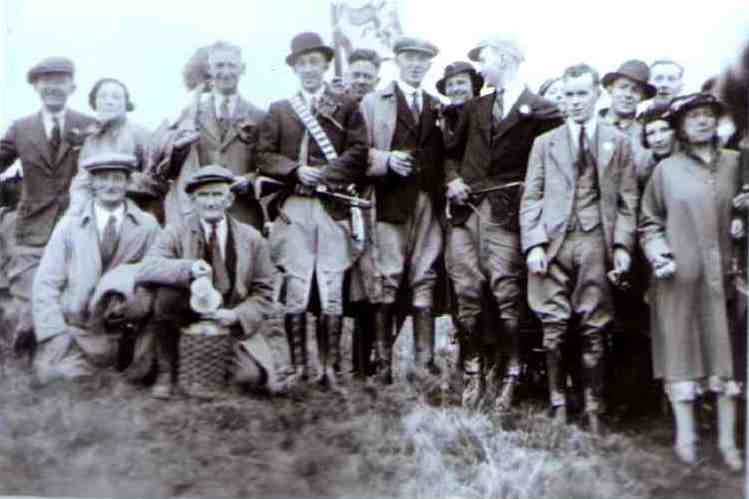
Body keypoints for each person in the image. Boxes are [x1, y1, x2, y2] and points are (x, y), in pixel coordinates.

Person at [444, 36, 562, 411]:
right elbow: (449, 155)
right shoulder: (475, 108)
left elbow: (548, 169)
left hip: (507, 215)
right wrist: (453, 181)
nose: (479, 70)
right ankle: (473, 372)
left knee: (506, 295)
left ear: (507, 59)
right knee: (466, 293)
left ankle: (511, 375)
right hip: (465, 214)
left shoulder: (542, 110)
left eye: (485, 61)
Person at [520, 63, 638, 433]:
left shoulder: (616, 142)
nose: (574, 102)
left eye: (581, 94)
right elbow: (531, 197)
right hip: (552, 243)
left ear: (596, 95)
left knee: (594, 325)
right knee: (552, 326)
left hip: (594, 242)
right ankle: (557, 403)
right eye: (568, 94)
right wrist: (533, 244)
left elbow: (627, 201)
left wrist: (621, 246)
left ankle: (593, 407)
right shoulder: (545, 142)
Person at [257, 32, 368, 387]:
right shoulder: (280, 109)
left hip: (332, 204)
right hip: (295, 204)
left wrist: (326, 175)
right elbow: (264, 155)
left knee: (332, 283)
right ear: (294, 68)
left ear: (325, 65)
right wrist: (295, 170)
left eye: (315, 63)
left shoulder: (347, 105)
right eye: (302, 63)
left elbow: (358, 150)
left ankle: (330, 369)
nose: (309, 69)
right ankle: (299, 368)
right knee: (297, 283)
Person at [639, 93, 743, 470]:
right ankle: (687, 440)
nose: (702, 121)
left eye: (708, 115)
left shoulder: (737, 164)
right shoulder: (665, 171)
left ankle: (729, 443)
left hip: (727, 279)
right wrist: (659, 253)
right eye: (693, 116)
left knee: (727, 356)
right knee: (682, 353)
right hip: (680, 278)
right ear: (680, 127)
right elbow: (648, 222)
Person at [135, 165, 276, 398]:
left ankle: (214, 362)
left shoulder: (252, 238)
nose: (210, 203)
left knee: (248, 378)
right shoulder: (176, 231)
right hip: (181, 321)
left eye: (217, 195)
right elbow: (147, 268)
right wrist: (187, 268)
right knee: (166, 294)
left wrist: (237, 316)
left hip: (228, 321)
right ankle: (166, 371)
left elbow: (265, 292)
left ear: (229, 199)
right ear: (192, 201)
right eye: (203, 195)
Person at [357, 36, 445, 385]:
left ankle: (424, 367)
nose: (415, 65)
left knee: (424, 276)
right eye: (409, 58)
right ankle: (382, 367)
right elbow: (354, 152)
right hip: (388, 200)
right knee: (386, 277)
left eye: (422, 60)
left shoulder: (437, 106)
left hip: (426, 202)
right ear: (397, 61)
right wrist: (385, 160)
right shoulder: (372, 102)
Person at [31, 153, 160, 384]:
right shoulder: (69, 225)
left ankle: (133, 362)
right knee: (57, 379)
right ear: (91, 183)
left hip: (126, 329)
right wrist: (54, 332)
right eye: (102, 178)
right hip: (78, 329)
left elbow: (157, 272)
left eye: (118, 178)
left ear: (128, 183)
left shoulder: (148, 225)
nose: (110, 185)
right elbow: (46, 282)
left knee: (136, 375)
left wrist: (136, 297)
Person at [0, 57, 96, 356]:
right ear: (36, 86)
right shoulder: (21, 128)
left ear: (72, 86)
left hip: (76, 222)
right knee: (27, 295)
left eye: (60, 80)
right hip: (33, 226)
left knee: (73, 291)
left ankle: (61, 349)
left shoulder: (88, 125)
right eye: (46, 81)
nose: (53, 87)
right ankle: (28, 342)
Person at [150, 42, 267, 229]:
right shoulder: (189, 114)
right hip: (198, 212)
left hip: (241, 213)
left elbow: (267, 163)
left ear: (242, 69)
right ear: (209, 69)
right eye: (219, 66)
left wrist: (250, 181)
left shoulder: (259, 116)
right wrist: (178, 146)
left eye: (232, 66)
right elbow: (161, 164)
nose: (226, 72)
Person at [67, 78, 163, 221]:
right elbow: (82, 181)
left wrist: (123, 182)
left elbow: (157, 179)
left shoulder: (141, 134)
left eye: (116, 97)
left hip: (138, 210)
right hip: (98, 211)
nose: (109, 102)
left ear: (126, 103)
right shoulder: (91, 139)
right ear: (95, 103)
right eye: (102, 97)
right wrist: (74, 213)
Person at [599, 60, 657, 155]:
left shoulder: (646, 136)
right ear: (610, 89)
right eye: (622, 87)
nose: (628, 95)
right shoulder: (590, 127)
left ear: (643, 97)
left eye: (635, 90)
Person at [436, 61, 485, 138]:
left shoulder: (487, 113)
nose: (455, 89)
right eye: (449, 85)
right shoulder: (445, 118)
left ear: (474, 85)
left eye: (461, 83)